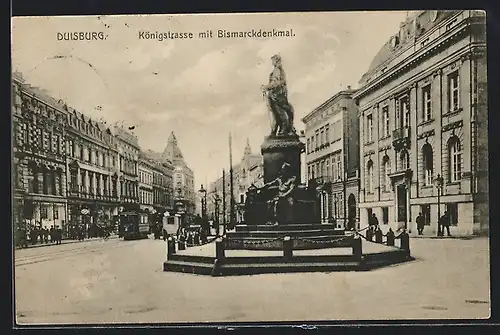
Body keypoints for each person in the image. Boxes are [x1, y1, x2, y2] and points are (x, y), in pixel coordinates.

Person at [261, 54, 296, 136]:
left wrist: (266, 87)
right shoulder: (280, 70)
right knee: (277, 113)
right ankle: (276, 130)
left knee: (278, 113)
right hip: (280, 94)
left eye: (273, 60)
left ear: (276, 61)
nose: (272, 62)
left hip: (276, 95)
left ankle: (283, 129)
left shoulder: (277, 70)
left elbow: (275, 83)